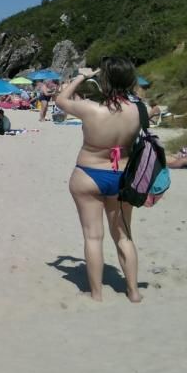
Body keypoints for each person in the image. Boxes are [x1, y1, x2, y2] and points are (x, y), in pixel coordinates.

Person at [55, 57, 142, 302]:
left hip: (89, 174)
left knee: (93, 237)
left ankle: (96, 294)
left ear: (104, 79)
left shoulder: (90, 108)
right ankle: (134, 292)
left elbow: (60, 100)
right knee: (124, 235)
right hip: (122, 176)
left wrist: (82, 77)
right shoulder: (139, 110)